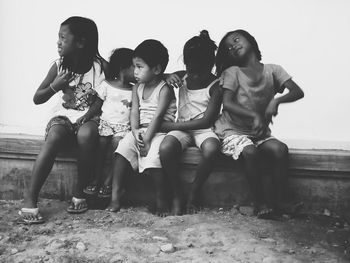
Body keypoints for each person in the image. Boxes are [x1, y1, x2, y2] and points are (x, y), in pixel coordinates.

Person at [19, 16, 108, 224]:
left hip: (89, 118)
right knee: (54, 136)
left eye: (63, 38)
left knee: (86, 134)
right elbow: (37, 98)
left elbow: (125, 77)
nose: (58, 42)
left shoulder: (101, 67)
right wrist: (55, 86)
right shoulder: (58, 66)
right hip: (63, 117)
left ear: (80, 42)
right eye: (58, 37)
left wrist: (165, 77)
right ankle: (30, 198)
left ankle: (79, 193)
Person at [214, 29, 304, 218]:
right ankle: (260, 202)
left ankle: (280, 200)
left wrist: (276, 101)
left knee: (280, 149)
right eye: (229, 47)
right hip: (232, 131)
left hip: (259, 133)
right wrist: (254, 115)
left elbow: (297, 92)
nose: (234, 46)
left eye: (237, 39)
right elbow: (228, 104)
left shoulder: (273, 70)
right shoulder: (233, 72)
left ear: (251, 41)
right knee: (250, 152)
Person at [106, 39, 176, 217]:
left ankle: (161, 199)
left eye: (139, 67)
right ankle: (115, 196)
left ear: (157, 70)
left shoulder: (164, 89)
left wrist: (147, 138)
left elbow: (159, 117)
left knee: (154, 160)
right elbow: (134, 112)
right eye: (134, 66)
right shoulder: (137, 87)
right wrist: (135, 130)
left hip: (158, 131)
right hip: (139, 130)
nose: (135, 72)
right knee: (121, 151)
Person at [160, 30, 222, 215]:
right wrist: (167, 75)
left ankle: (194, 192)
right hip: (183, 128)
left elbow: (206, 121)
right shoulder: (183, 76)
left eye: (199, 71)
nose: (193, 75)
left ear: (210, 65)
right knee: (165, 148)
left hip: (203, 129)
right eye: (190, 69)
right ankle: (177, 192)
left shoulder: (216, 86)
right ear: (186, 63)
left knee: (212, 148)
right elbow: (160, 76)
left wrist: (170, 126)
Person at [83, 48, 135, 199]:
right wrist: (86, 116)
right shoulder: (107, 85)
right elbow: (98, 104)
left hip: (123, 128)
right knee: (100, 147)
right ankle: (96, 178)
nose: (137, 72)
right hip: (105, 124)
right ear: (123, 68)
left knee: (117, 148)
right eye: (135, 67)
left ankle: (108, 181)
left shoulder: (135, 89)